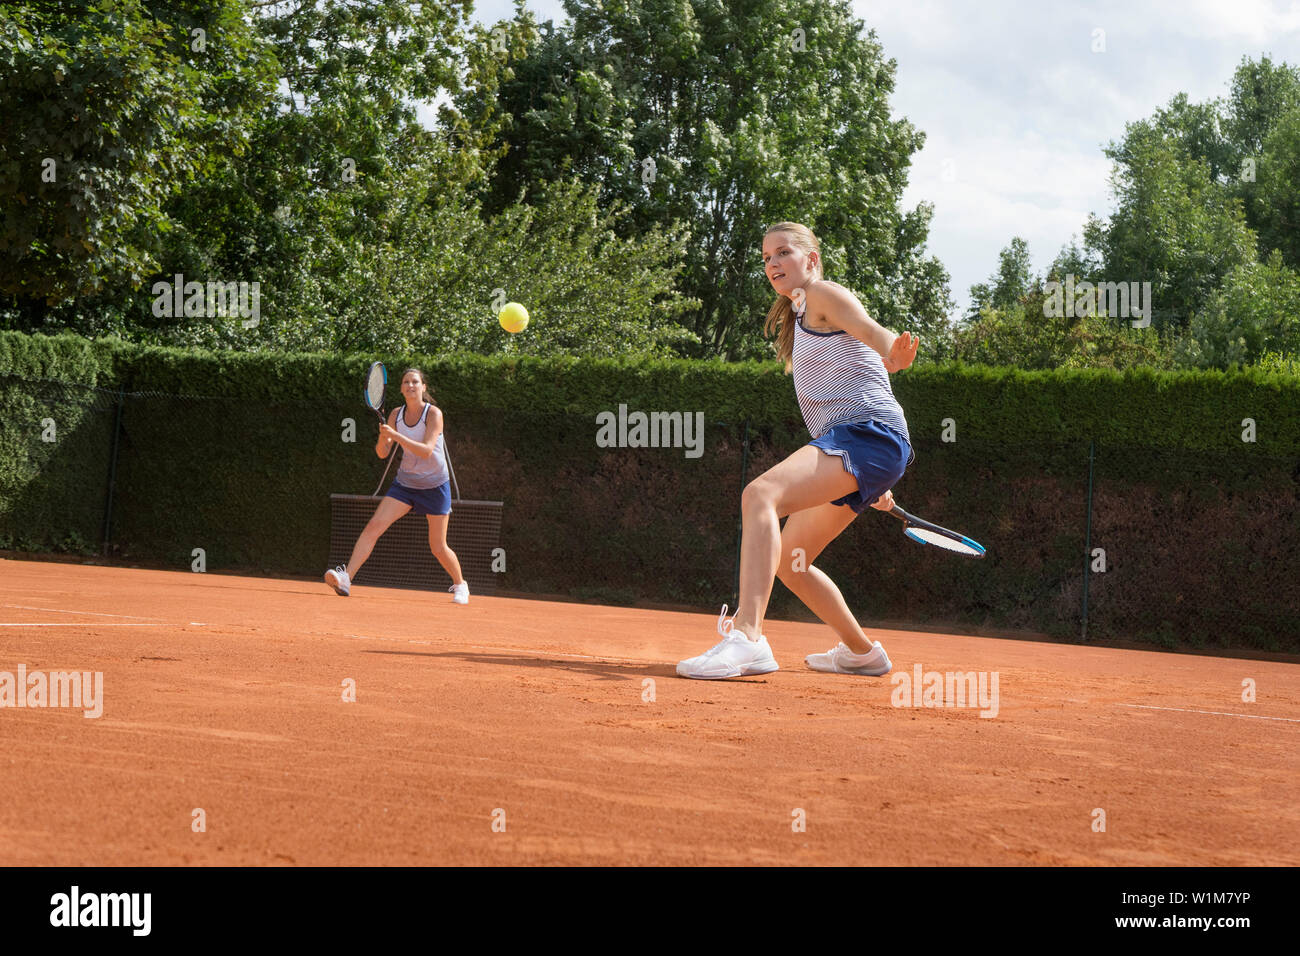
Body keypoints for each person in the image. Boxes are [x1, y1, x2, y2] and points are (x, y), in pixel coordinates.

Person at [677, 222, 919, 679]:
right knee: (792, 561)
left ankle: (748, 636)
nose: (772, 264)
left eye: (783, 253)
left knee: (760, 494)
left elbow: (874, 335)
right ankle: (863, 653)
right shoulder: (800, 317)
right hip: (865, 451)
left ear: (810, 260)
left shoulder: (823, 294)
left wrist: (896, 353)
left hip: (868, 435)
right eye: (767, 257)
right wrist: (872, 481)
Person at [324, 368, 469, 604]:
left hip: (435, 484)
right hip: (406, 484)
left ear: (423, 387)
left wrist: (397, 436)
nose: (410, 385)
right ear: (401, 389)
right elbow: (382, 453)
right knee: (374, 526)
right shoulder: (395, 414)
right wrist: (384, 437)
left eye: (415, 382)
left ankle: (460, 584)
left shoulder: (433, 414)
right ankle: (346, 578)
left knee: (438, 546)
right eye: (406, 382)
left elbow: (426, 450)